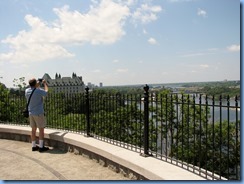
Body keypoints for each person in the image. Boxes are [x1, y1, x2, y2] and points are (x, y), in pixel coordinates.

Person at [25, 78, 49, 152]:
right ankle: (41, 147)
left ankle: (34, 146)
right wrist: (45, 83)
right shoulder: (38, 91)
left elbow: (34, 90)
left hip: (31, 113)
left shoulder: (27, 91)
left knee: (33, 130)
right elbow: (46, 92)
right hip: (38, 113)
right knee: (41, 129)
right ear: (35, 84)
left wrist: (36, 85)